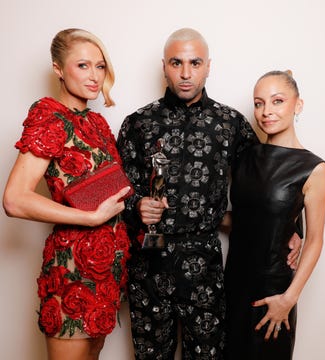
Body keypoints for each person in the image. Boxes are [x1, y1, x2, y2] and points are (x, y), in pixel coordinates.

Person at [117, 28, 301, 359]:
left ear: (208, 66)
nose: (186, 73)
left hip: (205, 268)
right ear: (164, 66)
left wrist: (292, 228)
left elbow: (269, 182)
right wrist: (136, 205)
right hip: (148, 269)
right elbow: (118, 190)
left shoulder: (230, 124)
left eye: (195, 62)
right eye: (177, 63)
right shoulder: (138, 123)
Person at [2, 28, 131, 360]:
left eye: (100, 67)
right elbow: (15, 199)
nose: (94, 76)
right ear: (58, 69)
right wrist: (89, 218)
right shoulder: (49, 116)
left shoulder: (98, 124)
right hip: (72, 270)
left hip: (107, 270)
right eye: (83, 66)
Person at [224, 70, 325, 359]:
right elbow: (245, 219)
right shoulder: (244, 157)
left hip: (273, 292)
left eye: (277, 101)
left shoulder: (313, 168)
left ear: (298, 105)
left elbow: (315, 240)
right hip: (232, 286)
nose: (266, 111)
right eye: (259, 103)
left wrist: (288, 299)